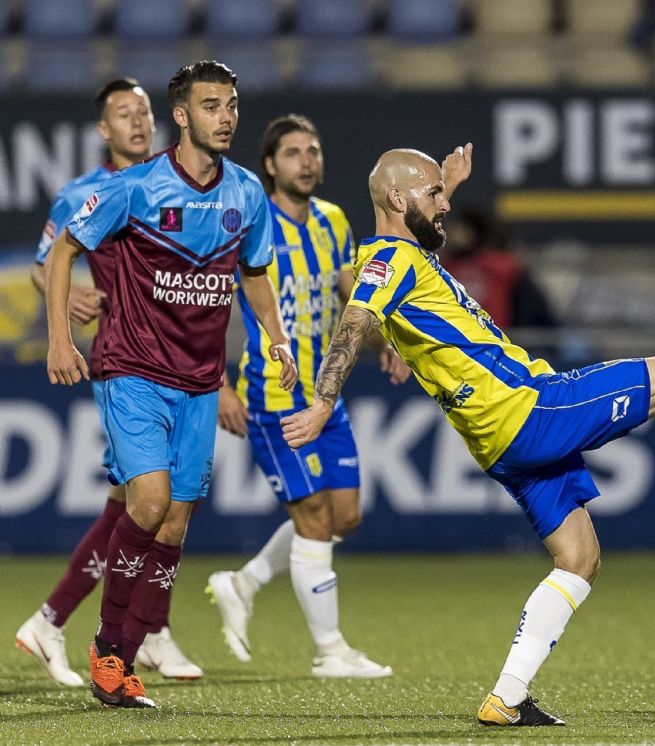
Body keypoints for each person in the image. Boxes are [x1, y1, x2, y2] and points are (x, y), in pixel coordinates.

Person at [280, 147, 655, 726]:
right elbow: (356, 318)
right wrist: (323, 400)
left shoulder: (393, 257)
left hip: (497, 440)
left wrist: (448, 186)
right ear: (394, 195)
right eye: (433, 193)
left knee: (579, 559)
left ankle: (507, 697)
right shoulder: (393, 261)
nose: (445, 205)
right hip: (528, 409)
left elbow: (361, 282)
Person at [44, 61, 296, 709]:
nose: (227, 117)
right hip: (132, 370)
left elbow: (257, 272)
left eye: (233, 104)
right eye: (212, 106)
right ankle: (105, 645)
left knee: (176, 525)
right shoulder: (137, 187)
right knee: (148, 503)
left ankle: (122, 663)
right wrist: (58, 338)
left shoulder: (245, 193)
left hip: (200, 381)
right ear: (182, 116)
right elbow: (67, 249)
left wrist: (276, 336)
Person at [205, 117, 468, 677]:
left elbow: (351, 288)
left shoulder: (332, 220)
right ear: (270, 165)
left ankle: (242, 582)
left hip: (329, 387)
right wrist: (218, 384)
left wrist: (386, 337)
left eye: (314, 150)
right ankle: (330, 652)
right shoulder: (251, 225)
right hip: (274, 395)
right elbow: (210, 307)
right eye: (293, 152)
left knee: (344, 517)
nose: (307, 160)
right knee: (315, 520)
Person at [17, 78, 200, 685]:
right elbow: (48, 265)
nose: (137, 122)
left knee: (144, 505)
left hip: (178, 363)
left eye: (143, 112)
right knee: (154, 504)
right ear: (104, 129)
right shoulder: (85, 191)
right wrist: (66, 308)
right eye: (124, 114)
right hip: (125, 365)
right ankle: (134, 630)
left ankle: (67, 622)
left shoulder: (172, 181)